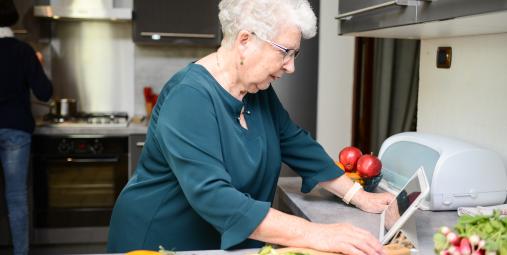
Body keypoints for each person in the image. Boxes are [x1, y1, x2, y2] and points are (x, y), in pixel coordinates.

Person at [107, 0, 394, 254]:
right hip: (161, 242)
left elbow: (296, 143)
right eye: (285, 52)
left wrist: (358, 196)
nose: (290, 66)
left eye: (295, 54)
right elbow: (215, 198)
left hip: (216, 242)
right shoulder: (189, 96)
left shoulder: (258, 91)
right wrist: (319, 233)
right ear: (245, 40)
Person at [0, 0, 53, 254]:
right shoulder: (23, 51)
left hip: (14, 129)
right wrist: (37, 64)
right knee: (16, 197)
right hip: (16, 130)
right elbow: (44, 93)